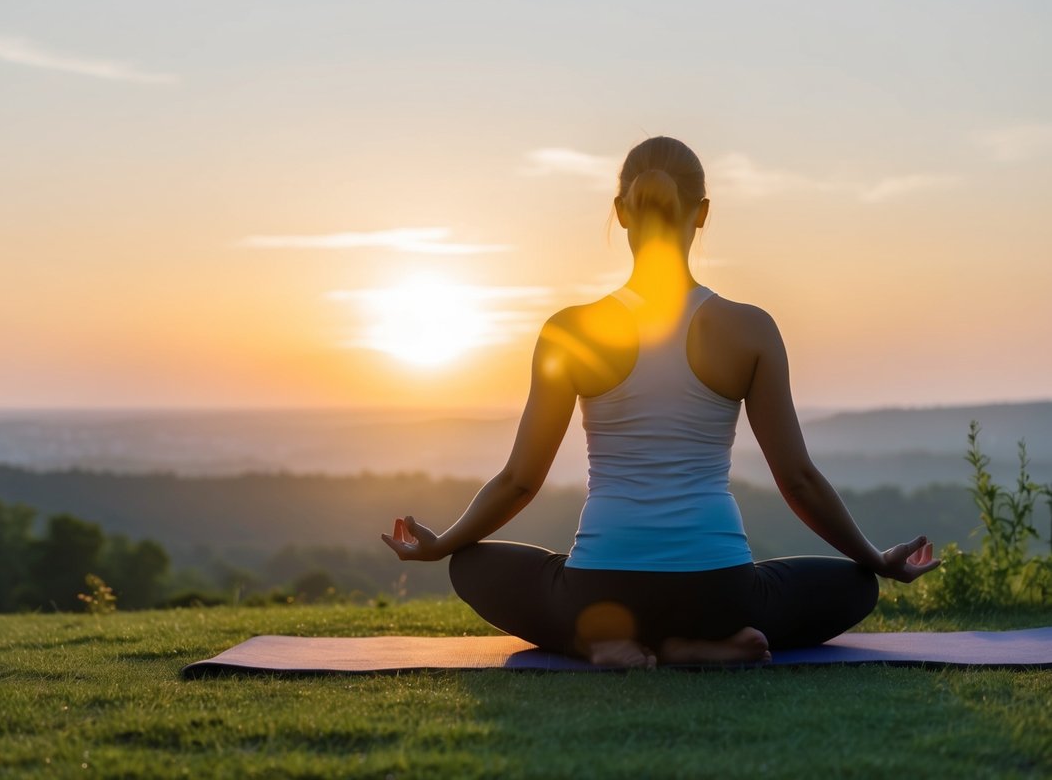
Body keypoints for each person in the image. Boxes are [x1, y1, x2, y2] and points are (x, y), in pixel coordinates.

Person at [381, 135, 940, 668]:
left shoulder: (571, 330)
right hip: (721, 593)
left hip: (600, 588)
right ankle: (692, 644)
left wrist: (443, 545)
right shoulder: (750, 329)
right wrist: (874, 559)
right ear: (702, 213)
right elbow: (798, 480)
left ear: (621, 211)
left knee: (473, 564)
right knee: (853, 586)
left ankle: (598, 642)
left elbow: (519, 481)